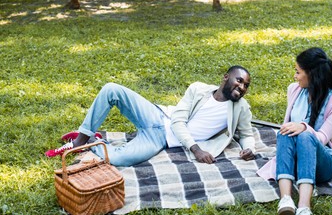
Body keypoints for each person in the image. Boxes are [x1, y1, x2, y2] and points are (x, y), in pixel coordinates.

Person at [45, 65, 256, 167]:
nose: (242, 86)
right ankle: (79, 141)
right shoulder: (199, 89)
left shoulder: (241, 107)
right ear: (226, 77)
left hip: (161, 140)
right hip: (157, 117)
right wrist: (196, 150)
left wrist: (249, 148)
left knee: (118, 159)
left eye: (245, 85)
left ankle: (95, 142)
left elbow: (246, 133)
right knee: (112, 89)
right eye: (238, 80)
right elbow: (177, 121)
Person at [256, 47, 332, 215]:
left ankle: (304, 208)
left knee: (306, 135)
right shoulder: (294, 90)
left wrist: (304, 127)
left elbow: (322, 138)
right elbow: (287, 126)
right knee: (285, 131)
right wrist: (293, 127)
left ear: (312, 74)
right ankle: (286, 199)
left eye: (298, 72)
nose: (295, 76)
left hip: (322, 165)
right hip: (295, 160)